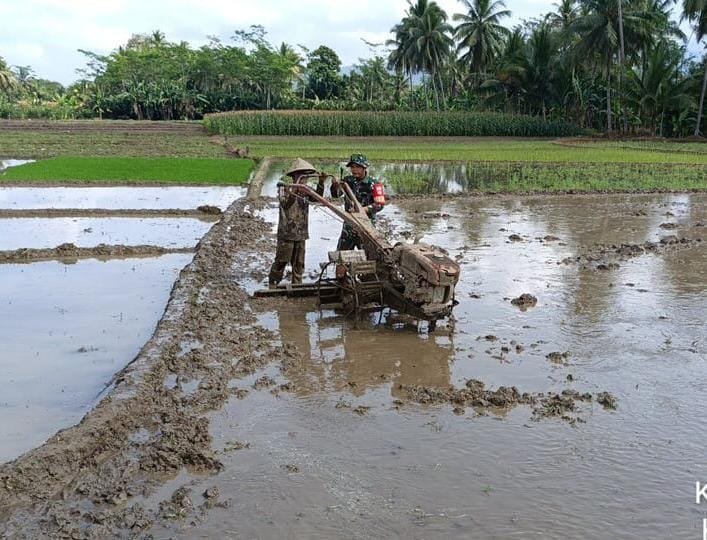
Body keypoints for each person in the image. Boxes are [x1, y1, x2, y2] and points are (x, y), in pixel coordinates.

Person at [268, 158, 325, 288]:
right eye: (301, 176)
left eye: (305, 176)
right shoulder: (284, 188)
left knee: (299, 262)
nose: (304, 179)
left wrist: (321, 183)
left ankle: (297, 285)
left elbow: (318, 200)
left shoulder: (307, 190)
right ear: (294, 176)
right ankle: (273, 284)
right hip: (287, 232)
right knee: (282, 260)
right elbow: (286, 204)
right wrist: (295, 189)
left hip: (301, 232)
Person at [330, 153, 385, 250]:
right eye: (352, 167)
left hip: (366, 225)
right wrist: (335, 185)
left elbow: (380, 204)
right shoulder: (347, 181)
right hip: (349, 224)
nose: (354, 170)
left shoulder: (375, 184)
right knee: (341, 255)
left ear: (364, 167)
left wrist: (363, 209)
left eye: (357, 167)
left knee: (368, 255)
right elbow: (336, 195)